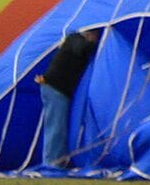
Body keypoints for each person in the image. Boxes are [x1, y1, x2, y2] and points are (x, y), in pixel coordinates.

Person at [33, 25, 103, 172]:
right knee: (56, 128)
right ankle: (52, 164)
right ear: (90, 34)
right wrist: (95, 45)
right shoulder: (75, 39)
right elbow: (82, 49)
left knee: (57, 127)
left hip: (55, 88)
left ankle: (55, 161)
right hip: (55, 89)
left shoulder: (73, 39)